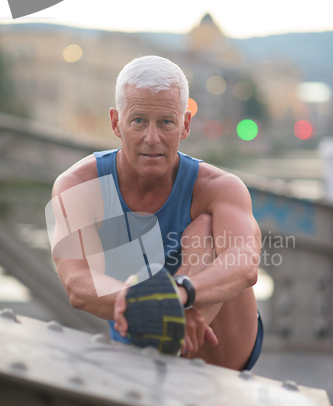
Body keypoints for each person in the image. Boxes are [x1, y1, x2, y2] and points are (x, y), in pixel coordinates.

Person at [51, 55, 262, 370]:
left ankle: (179, 321)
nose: (152, 138)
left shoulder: (220, 187)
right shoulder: (78, 184)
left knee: (205, 227)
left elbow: (244, 263)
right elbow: (76, 281)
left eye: (166, 121)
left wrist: (180, 295)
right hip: (142, 339)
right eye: (138, 121)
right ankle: (167, 322)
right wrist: (147, 303)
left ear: (185, 124)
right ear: (115, 123)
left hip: (223, 347)